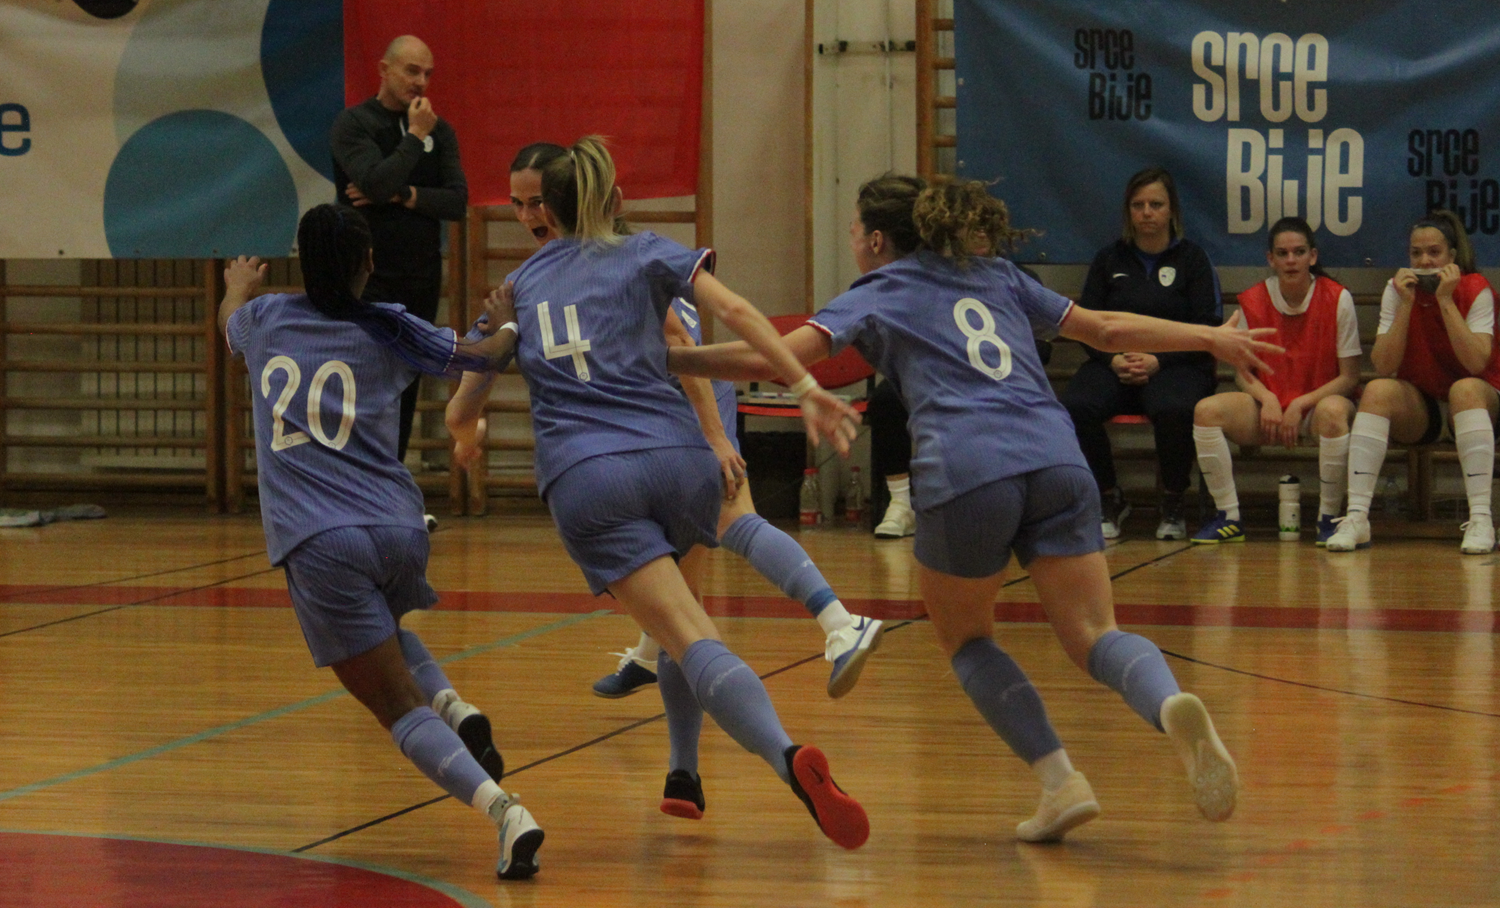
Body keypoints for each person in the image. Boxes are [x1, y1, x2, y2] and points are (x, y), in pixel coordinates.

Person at [671, 174, 1272, 842]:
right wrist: (1209, 338)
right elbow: (1103, 329)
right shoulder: (995, 274)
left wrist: (672, 358)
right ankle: (1168, 704)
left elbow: (777, 359)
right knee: (1096, 633)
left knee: (968, 640)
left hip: (966, 469)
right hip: (1056, 458)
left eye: (852, 230)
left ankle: (1060, 781)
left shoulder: (878, 290)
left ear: (874, 238)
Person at [446, 137, 870, 848]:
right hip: (679, 462)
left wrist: (467, 435)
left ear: (547, 209)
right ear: (609, 200)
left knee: (687, 635)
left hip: (590, 478)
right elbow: (734, 312)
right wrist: (802, 388)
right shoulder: (647, 252)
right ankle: (687, 772)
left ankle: (787, 756)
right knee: (689, 616)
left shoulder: (515, 290)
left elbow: (464, 399)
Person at [487, 142, 883, 701]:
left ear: (561, 203)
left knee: (732, 522)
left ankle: (839, 621)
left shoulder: (620, 256)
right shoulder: (582, 261)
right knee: (680, 584)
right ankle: (658, 673)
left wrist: (716, 436)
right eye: (518, 205)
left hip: (685, 404)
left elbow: (680, 343)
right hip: (648, 416)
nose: (529, 218)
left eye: (536, 204)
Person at [219, 205, 543, 879]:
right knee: (385, 631)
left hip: (320, 540)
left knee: (396, 707)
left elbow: (227, 322)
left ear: (303, 264)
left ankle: (506, 812)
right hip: (398, 527)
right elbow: (484, 356)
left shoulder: (263, 321)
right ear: (368, 262)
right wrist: (507, 317)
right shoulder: (389, 325)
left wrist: (238, 285)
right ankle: (455, 704)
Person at [331, 34, 468, 527]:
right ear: (384, 70)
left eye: (428, 73)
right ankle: (353, 496)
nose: (421, 82)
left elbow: (455, 201)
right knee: (365, 384)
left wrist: (403, 193)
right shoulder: (355, 124)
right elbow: (373, 183)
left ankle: (388, 498)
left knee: (406, 383)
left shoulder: (441, 131)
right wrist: (411, 141)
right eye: (412, 71)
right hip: (367, 274)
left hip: (419, 275)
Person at [1059, 167, 1223, 540]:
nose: (1147, 212)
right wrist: (1112, 359)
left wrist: (1159, 359)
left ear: (1171, 212)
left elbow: (1209, 328)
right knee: (1076, 406)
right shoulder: (1108, 260)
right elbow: (1084, 322)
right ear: (1128, 212)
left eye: (1155, 204)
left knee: (1174, 409)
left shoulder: (1193, 260)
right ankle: (1108, 496)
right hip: (1113, 362)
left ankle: (1172, 500)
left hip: (1176, 363)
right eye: (1138, 205)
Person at [1326, 210, 1500, 554]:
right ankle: (1357, 517)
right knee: (1377, 390)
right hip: (1427, 407)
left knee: (1463, 389)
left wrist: (1445, 299)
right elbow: (1384, 364)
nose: (1424, 260)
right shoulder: (1398, 291)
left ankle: (1481, 518)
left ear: (1452, 256)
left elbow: (1475, 362)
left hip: (1479, 400)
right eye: (1416, 253)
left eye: (1434, 252)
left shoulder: (1475, 288)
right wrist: (1406, 305)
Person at [1191, 217, 1362, 544]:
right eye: (1282, 253)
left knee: (1334, 413)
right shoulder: (1252, 300)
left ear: (1312, 256)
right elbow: (1242, 372)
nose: (1291, 260)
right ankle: (1228, 516)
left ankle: (1329, 518)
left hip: (1316, 406)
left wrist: (1301, 402)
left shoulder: (1338, 299)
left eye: (1299, 252)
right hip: (1266, 408)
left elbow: (1349, 376)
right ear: (1270, 259)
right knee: (1206, 411)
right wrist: (1267, 399)